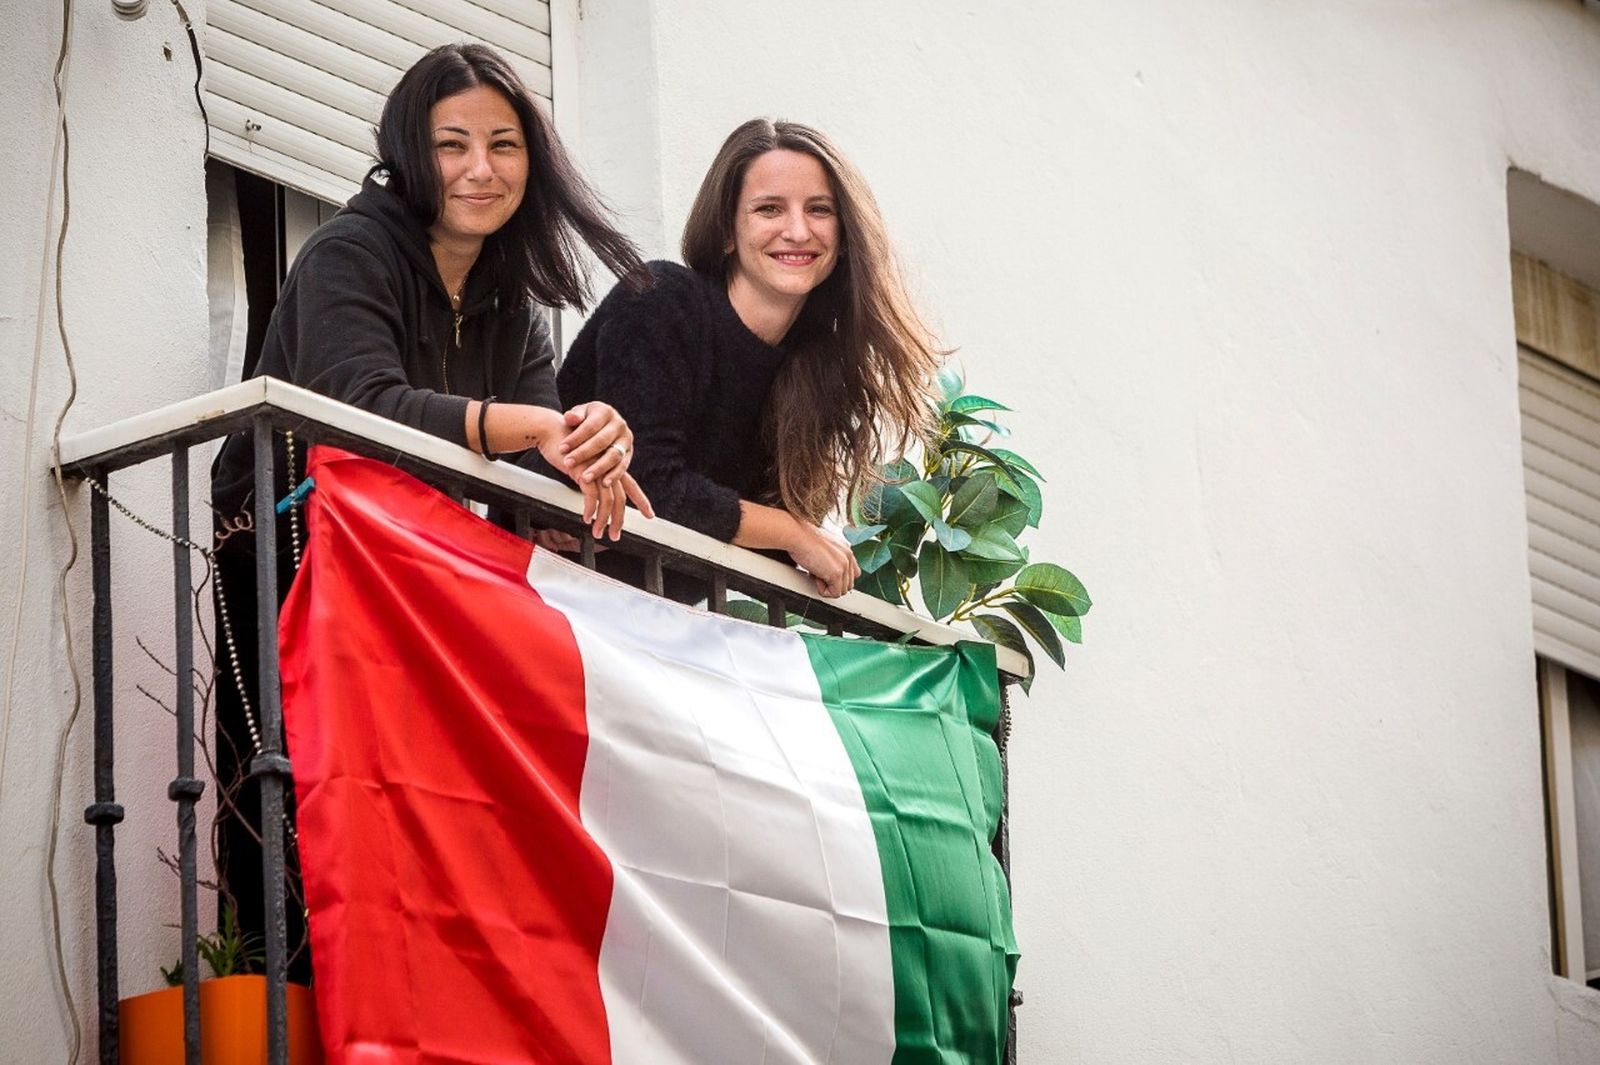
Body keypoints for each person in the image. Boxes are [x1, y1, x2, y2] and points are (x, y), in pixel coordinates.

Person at [207, 42, 651, 975]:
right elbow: (355, 407)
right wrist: (530, 423)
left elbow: (530, 486)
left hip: (420, 577)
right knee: (288, 789)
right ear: (412, 150)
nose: (480, 169)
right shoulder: (350, 250)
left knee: (412, 809)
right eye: (453, 144)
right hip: (292, 549)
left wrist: (588, 463)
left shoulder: (517, 304)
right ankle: (276, 995)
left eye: (504, 143)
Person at [555, 118, 942, 599]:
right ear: (726, 232)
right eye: (769, 209)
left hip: (652, 631)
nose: (798, 231)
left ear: (843, 238)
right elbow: (648, 484)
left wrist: (813, 544)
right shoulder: (660, 298)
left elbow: (764, 539)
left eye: (820, 210)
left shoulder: (813, 371)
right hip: (545, 591)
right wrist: (790, 532)